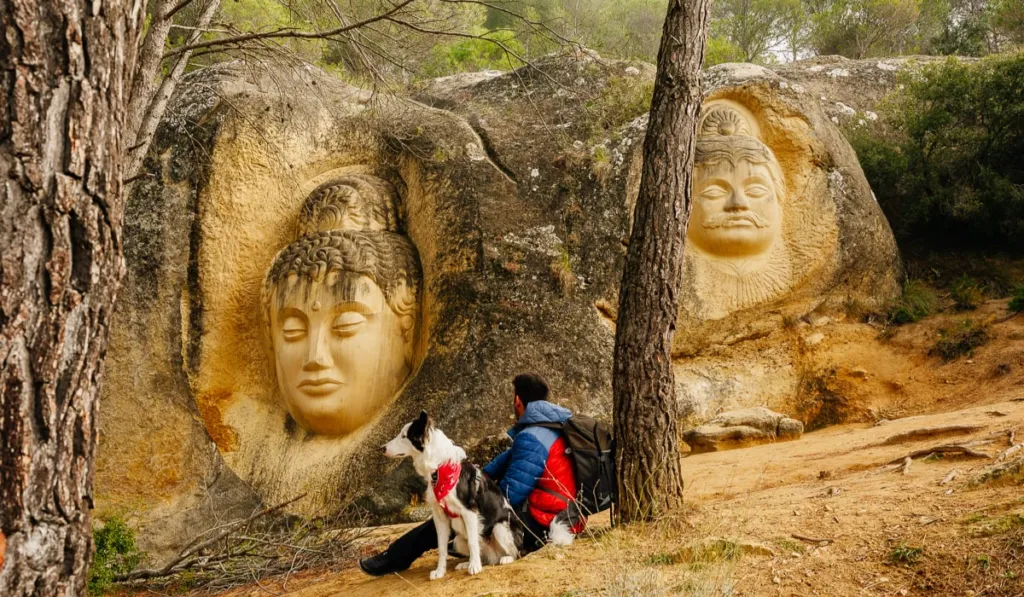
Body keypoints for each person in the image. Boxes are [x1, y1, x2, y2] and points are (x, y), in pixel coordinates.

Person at [359, 373, 582, 576]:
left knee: (452, 508)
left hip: (537, 521)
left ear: (517, 401)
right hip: (551, 513)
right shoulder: (545, 428)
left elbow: (509, 493)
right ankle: (431, 549)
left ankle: (393, 558)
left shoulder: (531, 438)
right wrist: (463, 480)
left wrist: (469, 493)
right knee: (454, 501)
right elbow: (494, 468)